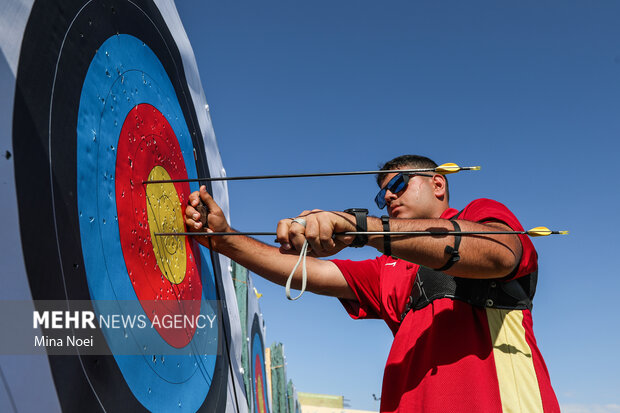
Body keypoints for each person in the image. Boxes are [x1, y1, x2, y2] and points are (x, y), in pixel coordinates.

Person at [185, 154, 559, 412]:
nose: (389, 196)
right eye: (382, 195)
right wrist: (224, 238)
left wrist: (360, 227)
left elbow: (499, 251)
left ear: (438, 184)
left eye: (397, 183)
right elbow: (311, 273)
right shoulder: (391, 267)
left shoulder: (479, 214)